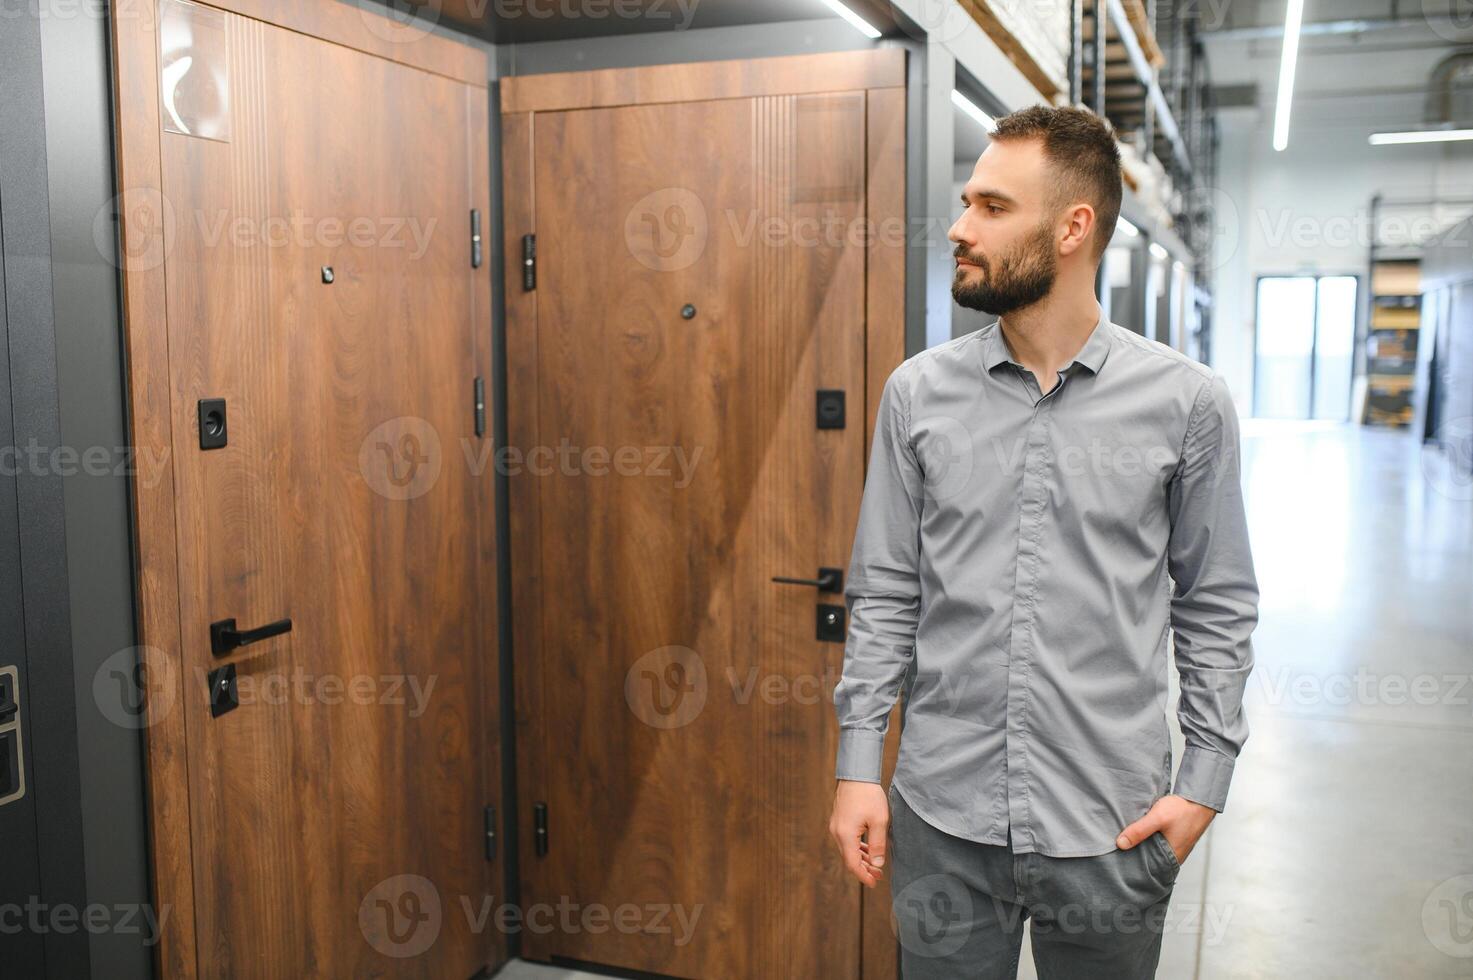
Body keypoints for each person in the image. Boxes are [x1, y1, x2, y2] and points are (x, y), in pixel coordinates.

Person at [826, 104, 1258, 978]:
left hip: (1111, 825)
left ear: (1072, 227)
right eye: (965, 202)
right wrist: (857, 765)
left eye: (991, 207)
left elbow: (1214, 602)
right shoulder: (917, 395)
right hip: (942, 818)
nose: (958, 227)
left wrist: (1201, 785)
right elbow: (885, 592)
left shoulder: (1185, 403)